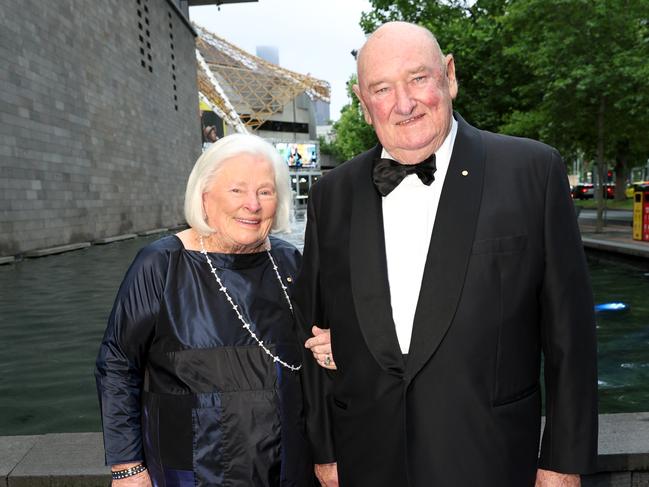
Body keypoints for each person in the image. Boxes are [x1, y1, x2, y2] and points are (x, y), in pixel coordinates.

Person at [296, 21, 598, 487]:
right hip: (366, 462)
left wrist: (562, 462)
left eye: (418, 78)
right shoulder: (331, 195)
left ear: (449, 75)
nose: (403, 103)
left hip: (492, 460)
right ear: (363, 102)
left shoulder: (532, 172)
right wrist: (326, 450)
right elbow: (312, 329)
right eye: (382, 88)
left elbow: (570, 337)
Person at [95, 133, 314, 486]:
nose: (253, 205)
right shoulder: (161, 264)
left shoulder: (289, 262)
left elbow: (313, 363)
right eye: (237, 190)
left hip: (288, 468)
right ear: (204, 196)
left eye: (265, 191)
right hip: (194, 472)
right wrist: (127, 467)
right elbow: (118, 363)